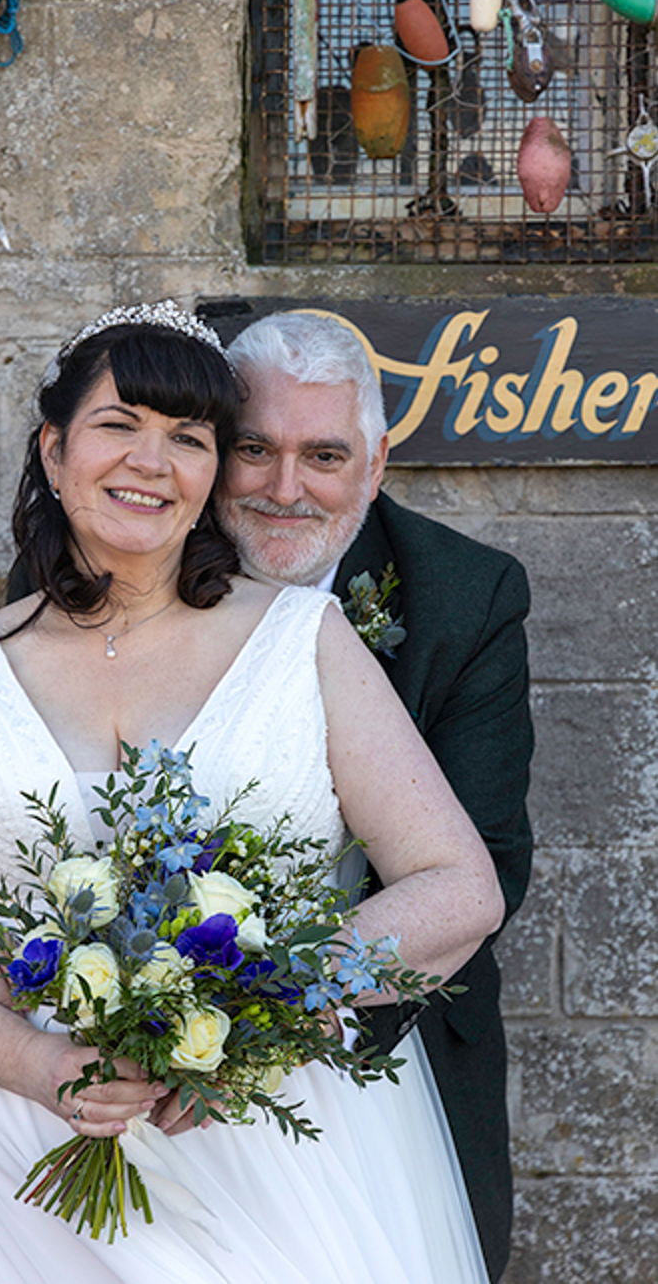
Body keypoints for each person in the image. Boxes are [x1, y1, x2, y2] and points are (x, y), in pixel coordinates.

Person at [0, 301, 504, 1284]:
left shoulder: (302, 639)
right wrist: (42, 1067)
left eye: (185, 437)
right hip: (21, 1139)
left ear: (212, 473)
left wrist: (263, 1020)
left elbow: (459, 886)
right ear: (53, 452)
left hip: (266, 1129)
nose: (149, 459)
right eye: (117, 425)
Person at [219, 309, 534, 1284]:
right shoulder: (129, 565)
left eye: (322, 453)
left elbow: (489, 863)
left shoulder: (462, 597)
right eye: (253, 449)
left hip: (379, 1039)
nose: (285, 487)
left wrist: (249, 1029)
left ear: (376, 458)